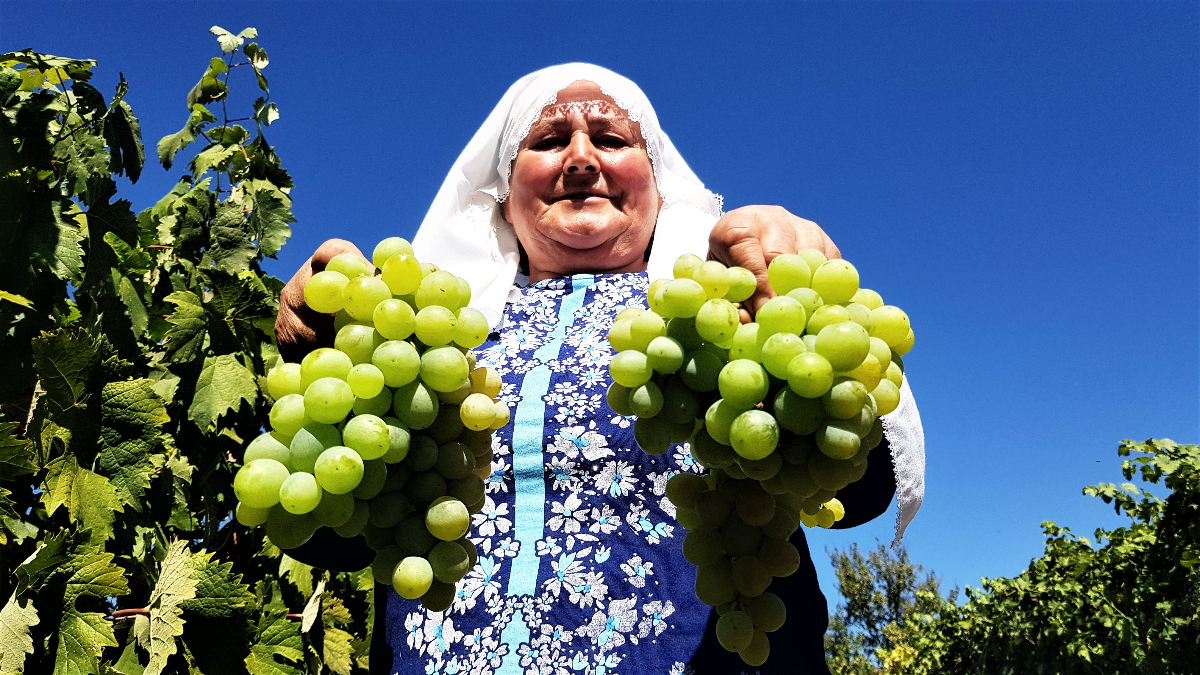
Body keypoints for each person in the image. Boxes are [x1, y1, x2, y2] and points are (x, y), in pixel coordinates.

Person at [276, 63, 925, 675]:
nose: (582, 158)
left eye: (611, 140)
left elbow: (853, 486)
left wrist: (793, 303)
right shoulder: (436, 333)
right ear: (501, 195)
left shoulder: (716, 316)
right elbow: (331, 533)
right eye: (549, 140)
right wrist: (331, 368)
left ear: (660, 189)